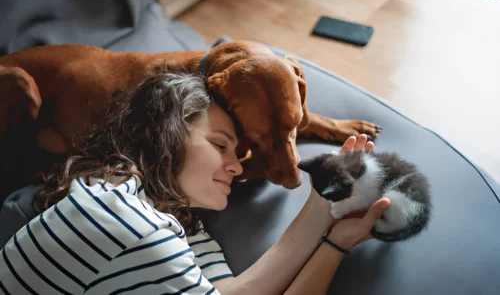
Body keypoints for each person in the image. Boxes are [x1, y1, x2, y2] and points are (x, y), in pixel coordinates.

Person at [0, 72, 390, 294]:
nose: (237, 168)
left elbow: (244, 291)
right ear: (163, 134)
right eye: (220, 144)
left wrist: (329, 224)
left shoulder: (182, 224)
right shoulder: (122, 216)